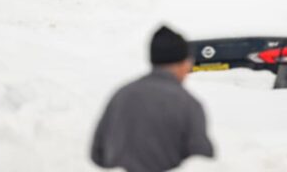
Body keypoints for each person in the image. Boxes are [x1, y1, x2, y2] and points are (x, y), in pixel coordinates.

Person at [91, 26, 214, 172]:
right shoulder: (188, 104)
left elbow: (98, 154)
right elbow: (201, 160)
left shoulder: (121, 95)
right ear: (182, 64)